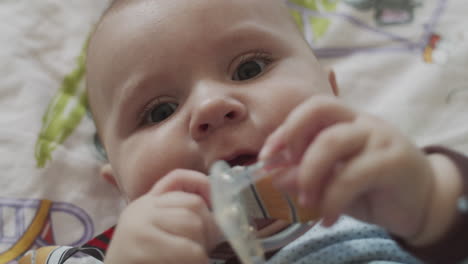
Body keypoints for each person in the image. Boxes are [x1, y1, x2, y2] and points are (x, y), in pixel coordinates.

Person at [19, 0, 468, 263]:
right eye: (158, 112)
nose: (210, 107)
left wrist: (433, 203)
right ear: (122, 186)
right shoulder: (122, 251)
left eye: (249, 67)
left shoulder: (383, 196)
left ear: (332, 98)